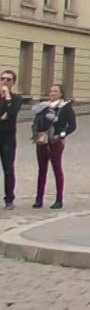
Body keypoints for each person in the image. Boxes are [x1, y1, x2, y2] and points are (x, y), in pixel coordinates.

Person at [31, 84, 75, 210]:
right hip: (42, 139)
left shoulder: (65, 107)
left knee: (56, 168)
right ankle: (39, 199)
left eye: (55, 91)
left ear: (61, 93)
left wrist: (61, 136)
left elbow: (72, 126)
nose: (52, 93)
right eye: (51, 91)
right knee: (42, 169)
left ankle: (59, 199)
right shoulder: (43, 107)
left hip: (56, 141)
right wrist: (36, 134)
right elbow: (37, 122)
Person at [0, 70, 23, 209]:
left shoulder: (16, 98)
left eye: (8, 79)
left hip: (8, 139)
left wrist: (7, 96)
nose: (5, 81)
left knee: (8, 169)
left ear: (13, 82)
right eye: (3, 79)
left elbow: (12, 113)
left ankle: (9, 199)